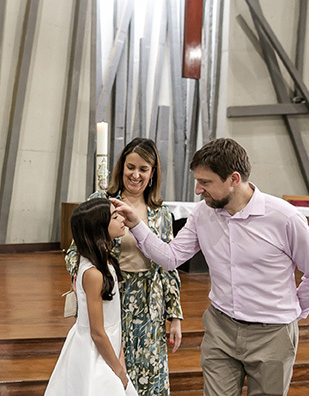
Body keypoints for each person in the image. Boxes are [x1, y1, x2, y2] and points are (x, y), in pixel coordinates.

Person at [112, 138, 309, 395]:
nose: (197, 190)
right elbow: (171, 257)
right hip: (220, 329)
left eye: (205, 182)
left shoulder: (284, 217)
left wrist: (292, 312)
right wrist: (137, 224)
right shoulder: (202, 214)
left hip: (273, 334)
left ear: (234, 179)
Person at [64, 138, 183, 396]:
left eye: (143, 169)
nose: (136, 174)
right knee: (109, 372)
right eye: (131, 167)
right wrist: (80, 276)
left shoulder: (161, 213)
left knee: (147, 370)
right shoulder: (102, 200)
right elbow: (76, 249)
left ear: (153, 174)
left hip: (149, 301)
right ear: (121, 167)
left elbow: (168, 266)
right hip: (109, 296)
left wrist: (175, 316)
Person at [46, 198, 139, 396]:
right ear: (99, 228)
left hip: (110, 344)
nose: (122, 218)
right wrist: (119, 371)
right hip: (94, 350)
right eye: (115, 216)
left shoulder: (106, 261)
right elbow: (97, 331)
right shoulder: (93, 273)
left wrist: (120, 351)